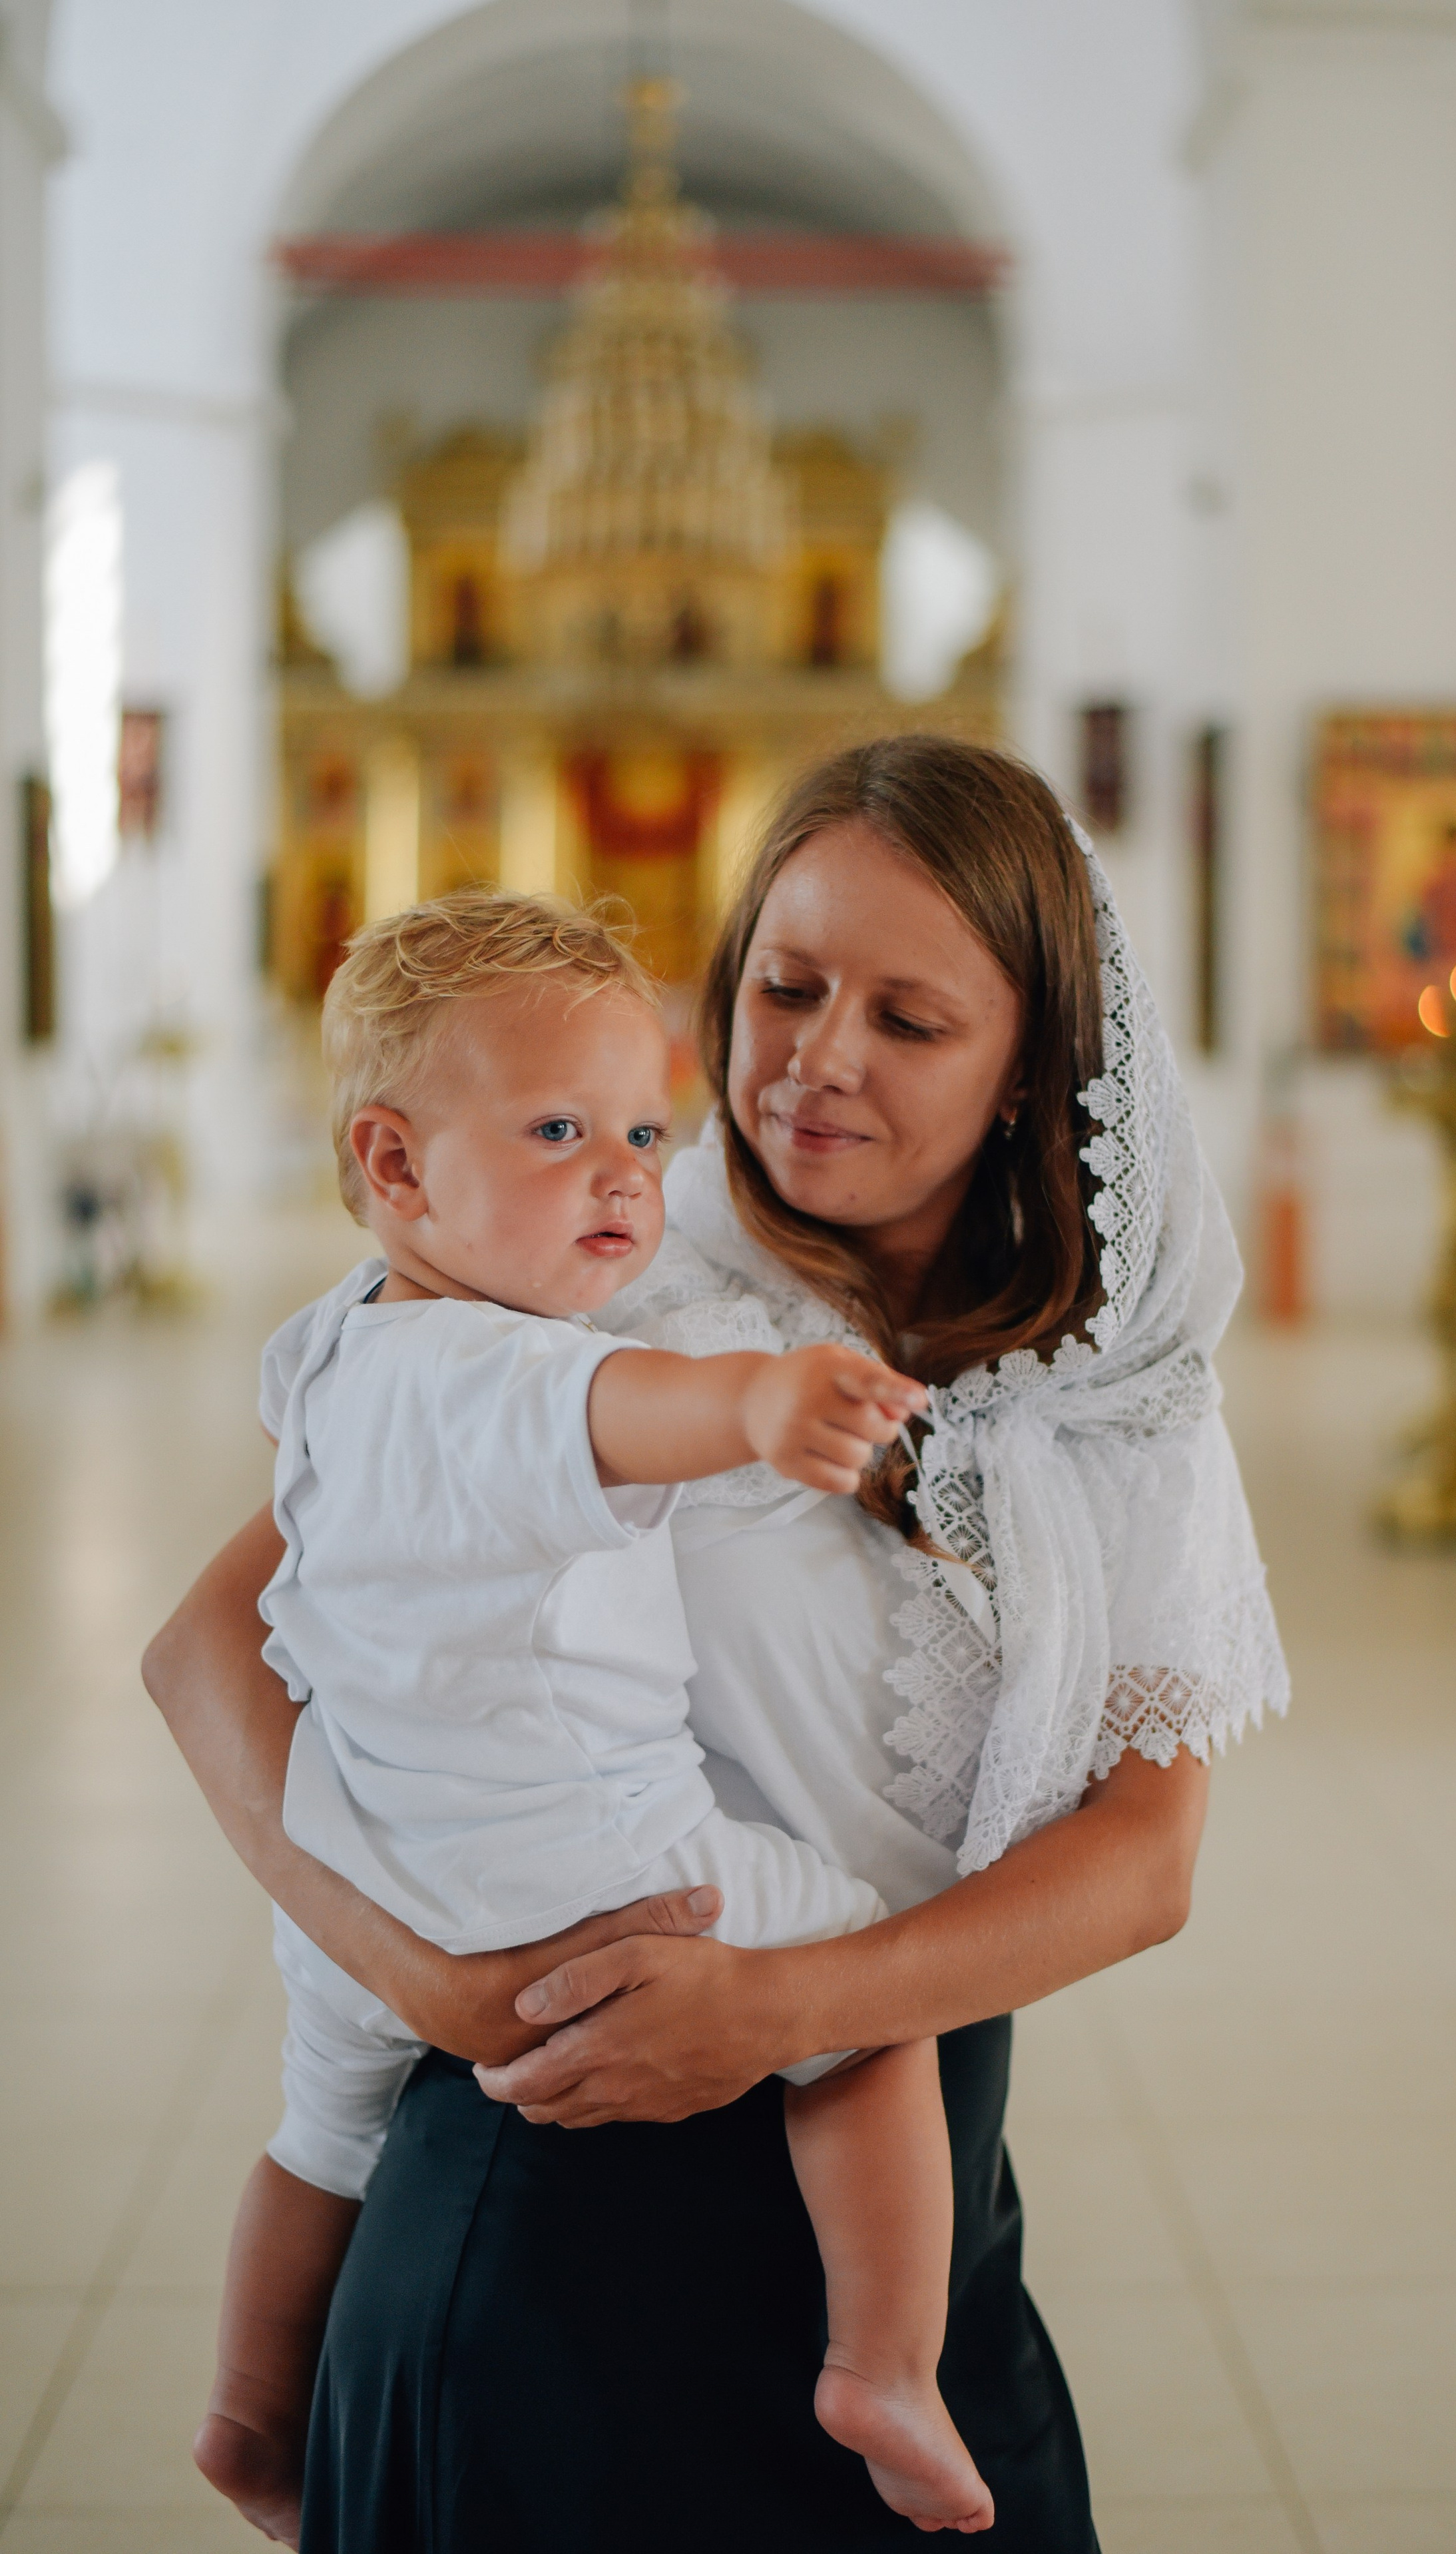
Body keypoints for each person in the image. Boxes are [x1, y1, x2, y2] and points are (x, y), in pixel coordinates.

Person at [145, 734, 1289, 2552]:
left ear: (1026, 1073)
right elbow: (207, 1651)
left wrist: (784, 2009)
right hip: (546, 2193)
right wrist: (429, 1981)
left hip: (904, 2199)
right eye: (786, 984)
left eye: (910, 1021)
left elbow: (1145, 1862)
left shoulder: (1114, 1401)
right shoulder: (599, 1266)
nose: (819, 1057)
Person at [195, 889, 992, 2544]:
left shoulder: (337, 1345)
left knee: (318, 2133)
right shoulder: (508, 1370)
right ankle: (886, 2359)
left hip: (360, 1865)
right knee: (864, 1976)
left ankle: (255, 2419)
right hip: (587, 1865)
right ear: (397, 1167)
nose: (627, 1171)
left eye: (642, 1123)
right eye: (558, 1129)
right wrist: (765, 1397)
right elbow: (634, 1407)